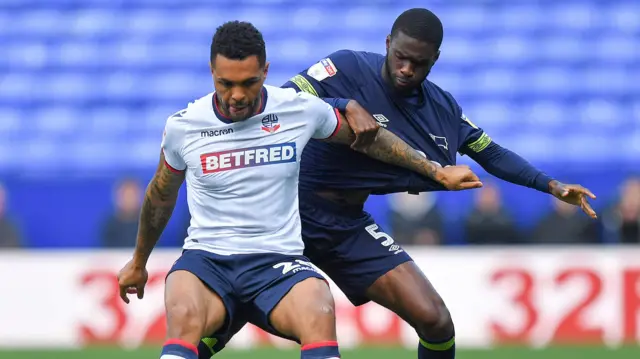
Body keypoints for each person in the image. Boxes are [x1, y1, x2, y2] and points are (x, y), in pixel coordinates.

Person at [197, 8, 598, 359]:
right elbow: (282, 100)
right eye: (400, 57)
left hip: (345, 225)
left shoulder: (442, 110)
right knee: (221, 324)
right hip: (284, 215)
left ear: (434, 60)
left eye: (418, 63)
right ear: (388, 43)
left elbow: (489, 152)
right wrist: (342, 106)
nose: (406, 68)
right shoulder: (345, 68)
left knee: (435, 319)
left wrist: (551, 186)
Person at [116, 21, 482, 359]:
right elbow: (160, 195)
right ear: (212, 72)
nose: (238, 95)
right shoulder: (184, 127)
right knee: (182, 319)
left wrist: (434, 170)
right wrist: (138, 262)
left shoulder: (298, 109)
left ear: (266, 72)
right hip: (207, 261)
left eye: (249, 82)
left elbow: (371, 140)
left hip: (279, 263)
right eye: (226, 83)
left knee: (319, 307)